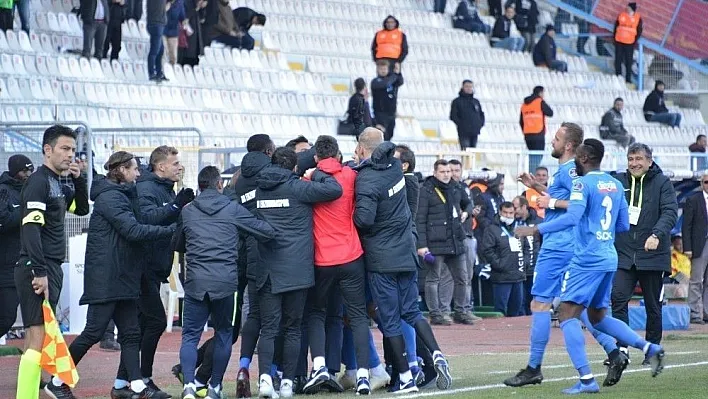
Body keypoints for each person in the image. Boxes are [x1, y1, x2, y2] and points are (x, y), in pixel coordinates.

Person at [530, 139, 665, 394]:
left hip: (587, 258)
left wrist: (536, 228)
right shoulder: (616, 184)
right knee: (599, 317)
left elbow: (571, 217)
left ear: (583, 159)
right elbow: (624, 225)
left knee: (567, 315)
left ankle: (586, 380)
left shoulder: (582, 183)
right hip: (609, 257)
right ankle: (650, 348)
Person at [506, 124, 625, 389]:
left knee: (539, 305)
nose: (552, 140)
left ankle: (534, 368)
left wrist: (549, 203)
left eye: (557, 138)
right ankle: (614, 352)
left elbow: (577, 203)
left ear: (569, 146)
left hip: (559, 245)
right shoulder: (568, 171)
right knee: (574, 309)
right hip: (574, 246)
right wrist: (536, 186)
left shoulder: (572, 170)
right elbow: (566, 196)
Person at [50, 152, 175, 399]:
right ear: (122, 171)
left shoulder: (122, 195)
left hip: (122, 275)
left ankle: (134, 387)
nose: (139, 174)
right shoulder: (111, 198)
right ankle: (57, 381)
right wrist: (170, 230)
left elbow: (138, 223)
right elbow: (133, 230)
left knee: (131, 333)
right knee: (93, 332)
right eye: (135, 169)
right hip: (107, 277)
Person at [354, 128, 452, 393]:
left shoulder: (367, 179)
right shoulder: (397, 170)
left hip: (382, 259)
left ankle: (406, 377)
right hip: (406, 254)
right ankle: (436, 353)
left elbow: (364, 219)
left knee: (390, 320)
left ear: (362, 149)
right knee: (412, 312)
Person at [173, 166, 275, 399]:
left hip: (196, 282)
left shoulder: (188, 211)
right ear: (219, 185)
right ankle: (214, 387)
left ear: (200, 186)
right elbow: (265, 231)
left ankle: (189, 385)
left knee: (190, 336)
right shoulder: (232, 209)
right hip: (226, 282)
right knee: (224, 334)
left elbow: (178, 243)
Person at [254, 147, 343, 398]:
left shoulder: (259, 188)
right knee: (293, 328)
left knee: (269, 329)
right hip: (297, 270)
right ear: (294, 167)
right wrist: (316, 174)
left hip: (268, 269)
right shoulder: (298, 187)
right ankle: (287, 383)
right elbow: (335, 190)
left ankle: (264, 380)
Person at [15, 126, 90, 399]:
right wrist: (40, 271)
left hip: (49, 266)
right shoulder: (38, 182)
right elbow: (30, 229)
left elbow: (81, 209)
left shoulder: (58, 182)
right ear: (48, 150)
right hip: (37, 267)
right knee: (38, 337)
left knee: (36, 337)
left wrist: (79, 181)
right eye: (64, 149)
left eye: (72, 150)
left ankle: (28, 392)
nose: (70, 155)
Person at [300, 136, 373, 395]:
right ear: (339, 156)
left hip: (322, 259)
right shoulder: (351, 177)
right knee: (358, 316)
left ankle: (319, 366)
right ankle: (363, 375)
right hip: (351, 255)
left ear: (317, 158)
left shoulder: (309, 179)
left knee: (317, 313)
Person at [129, 145, 194, 397]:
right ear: (161, 166)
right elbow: (147, 219)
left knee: (141, 325)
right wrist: (176, 207)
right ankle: (139, 378)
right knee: (151, 322)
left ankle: (130, 381)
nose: (179, 167)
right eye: (175, 163)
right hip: (142, 268)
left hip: (154, 268)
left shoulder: (165, 188)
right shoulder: (147, 188)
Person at [611, 143, 678, 358]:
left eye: (639, 159)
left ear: (649, 161)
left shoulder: (662, 183)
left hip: (652, 254)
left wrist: (656, 234)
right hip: (624, 253)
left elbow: (670, 211)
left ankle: (652, 348)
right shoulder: (619, 182)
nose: (634, 163)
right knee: (618, 298)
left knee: (653, 305)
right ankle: (622, 348)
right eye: (631, 159)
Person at [417, 160, 475, 325]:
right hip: (435, 241)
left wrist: (467, 212)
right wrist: (422, 245)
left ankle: (461, 311)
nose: (447, 174)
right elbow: (420, 219)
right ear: (435, 173)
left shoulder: (457, 187)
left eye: (449, 171)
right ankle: (436, 314)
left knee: (462, 278)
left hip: (456, 239)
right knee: (433, 278)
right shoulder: (426, 190)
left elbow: (468, 203)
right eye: (443, 172)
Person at [0, 155, 33, 340]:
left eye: (30, 170)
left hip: (25, 262)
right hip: (6, 265)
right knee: (6, 317)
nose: (28, 174)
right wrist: (26, 213)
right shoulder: (3, 191)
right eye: (24, 170)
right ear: (14, 172)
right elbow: (2, 222)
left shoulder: (31, 190)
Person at [483, 201, 526, 316]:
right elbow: (487, 250)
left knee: (516, 309)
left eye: (510, 213)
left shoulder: (519, 227)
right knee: (500, 311)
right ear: (500, 212)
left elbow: (527, 246)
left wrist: (524, 263)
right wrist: (499, 264)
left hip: (518, 275)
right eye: (505, 212)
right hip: (502, 276)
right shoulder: (492, 229)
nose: (508, 215)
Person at [681, 172, 708, 324]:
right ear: (701, 184)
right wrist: (688, 248)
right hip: (699, 245)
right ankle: (694, 313)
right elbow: (686, 226)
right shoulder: (693, 200)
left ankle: (706, 312)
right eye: (706, 182)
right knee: (696, 280)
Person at [512, 196, 542, 316]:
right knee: (519, 303)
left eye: (516, 208)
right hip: (517, 268)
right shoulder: (512, 222)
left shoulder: (539, 222)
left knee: (533, 299)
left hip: (534, 267)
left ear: (524, 207)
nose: (514, 211)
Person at [520, 86, 554, 172]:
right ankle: (532, 175)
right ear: (540, 93)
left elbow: (521, 121)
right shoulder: (540, 102)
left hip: (527, 134)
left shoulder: (524, 104)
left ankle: (531, 174)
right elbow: (550, 113)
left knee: (532, 157)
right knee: (537, 157)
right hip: (538, 134)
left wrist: (525, 131)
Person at [371, 60, 404, 141]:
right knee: (381, 136)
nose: (383, 71)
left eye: (385, 69)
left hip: (391, 114)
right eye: (381, 69)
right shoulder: (375, 82)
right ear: (377, 70)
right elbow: (386, 83)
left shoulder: (391, 80)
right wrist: (394, 75)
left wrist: (398, 72)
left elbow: (400, 81)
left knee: (389, 135)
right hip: (380, 114)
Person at [450, 80, 485, 149]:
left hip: (475, 131)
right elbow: (453, 115)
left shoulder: (475, 101)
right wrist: (462, 124)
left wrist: (480, 124)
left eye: (470, 87)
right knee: (465, 151)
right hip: (463, 132)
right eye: (467, 86)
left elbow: (481, 114)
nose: (469, 88)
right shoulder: (457, 101)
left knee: (473, 152)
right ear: (463, 87)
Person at [614, 2, 642, 85]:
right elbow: (616, 26)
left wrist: (634, 40)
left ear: (632, 8)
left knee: (628, 61)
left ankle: (628, 78)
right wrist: (614, 38)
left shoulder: (638, 18)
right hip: (619, 41)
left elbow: (639, 30)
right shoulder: (621, 15)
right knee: (618, 59)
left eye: (628, 7)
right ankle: (618, 75)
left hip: (629, 43)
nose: (627, 8)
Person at [177, 0, 208, 66]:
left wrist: (202, 7)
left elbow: (202, 19)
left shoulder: (195, 3)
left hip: (196, 39)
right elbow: (184, 18)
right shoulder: (184, 2)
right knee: (186, 62)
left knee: (194, 61)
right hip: (186, 40)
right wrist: (196, 8)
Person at [147, 0, 168, 81]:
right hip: (157, 23)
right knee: (154, 51)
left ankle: (159, 72)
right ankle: (151, 73)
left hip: (157, 23)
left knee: (160, 50)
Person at [164, 0, 186, 65]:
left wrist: (184, 21)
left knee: (173, 56)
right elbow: (158, 13)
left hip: (173, 32)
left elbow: (182, 16)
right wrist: (165, 8)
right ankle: (162, 71)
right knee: (164, 52)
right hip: (163, 30)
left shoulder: (180, 2)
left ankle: (172, 70)